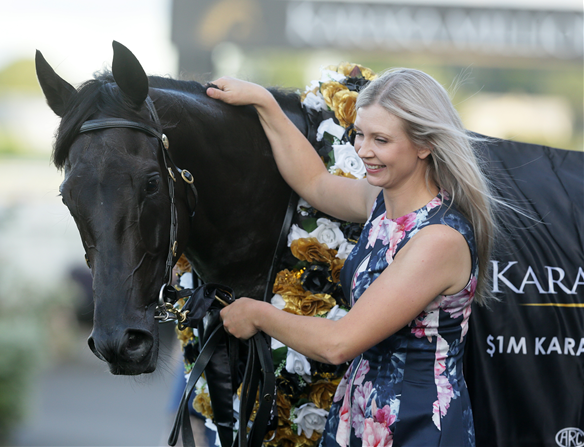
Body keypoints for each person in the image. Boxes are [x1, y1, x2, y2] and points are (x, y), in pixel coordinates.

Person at [206, 68, 496, 447]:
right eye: (359, 134)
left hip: (416, 426)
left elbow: (339, 343)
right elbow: (314, 182)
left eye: (381, 139)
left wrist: (257, 314)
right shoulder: (379, 203)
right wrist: (264, 103)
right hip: (363, 412)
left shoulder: (437, 240)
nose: (362, 150)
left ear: (424, 145)